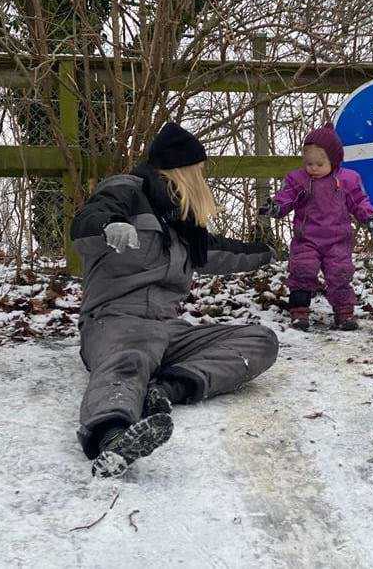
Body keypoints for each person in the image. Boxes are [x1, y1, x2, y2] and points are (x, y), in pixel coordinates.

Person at [70, 122, 278, 478]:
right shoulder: (127, 191)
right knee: (129, 360)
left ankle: (167, 388)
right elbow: (87, 219)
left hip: (168, 330)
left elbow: (223, 252)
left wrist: (269, 253)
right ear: (182, 169)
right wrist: (109, 226)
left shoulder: (184, 228)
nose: (202, 177)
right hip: (114, 322)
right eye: (199, 170)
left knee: (261, 340)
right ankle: (112, 437)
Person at [259, 122, 373, 331]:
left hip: (338, 240)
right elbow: (286, 197)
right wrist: (276, 207)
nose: (313, 168)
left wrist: (370, 219)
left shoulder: (347, 180)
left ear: (334, 161)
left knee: (339, 273)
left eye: (319, 163)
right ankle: (299, 311)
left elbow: (360, 201)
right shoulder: (298, 180)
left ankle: (344, 312)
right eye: (308, 163)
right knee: (302, 270)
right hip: (306, 238)